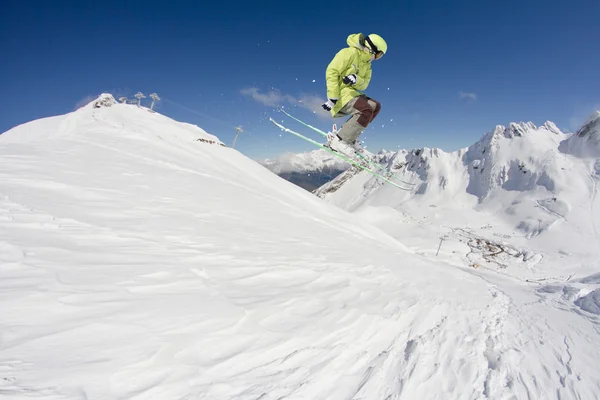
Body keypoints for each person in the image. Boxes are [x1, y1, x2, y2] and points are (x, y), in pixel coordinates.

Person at [321, 33, 387, 155]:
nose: (377, 58)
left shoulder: (368, 66)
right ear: (372, 48)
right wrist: (332, 97)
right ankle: (340, 140)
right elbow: (331, 71)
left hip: (352, 94)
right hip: (341, 95)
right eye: (378, 54)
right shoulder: (349, 53)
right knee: (366, 110)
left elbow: (365, 84)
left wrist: (356, 79)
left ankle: (350, 137)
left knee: (375, 106)